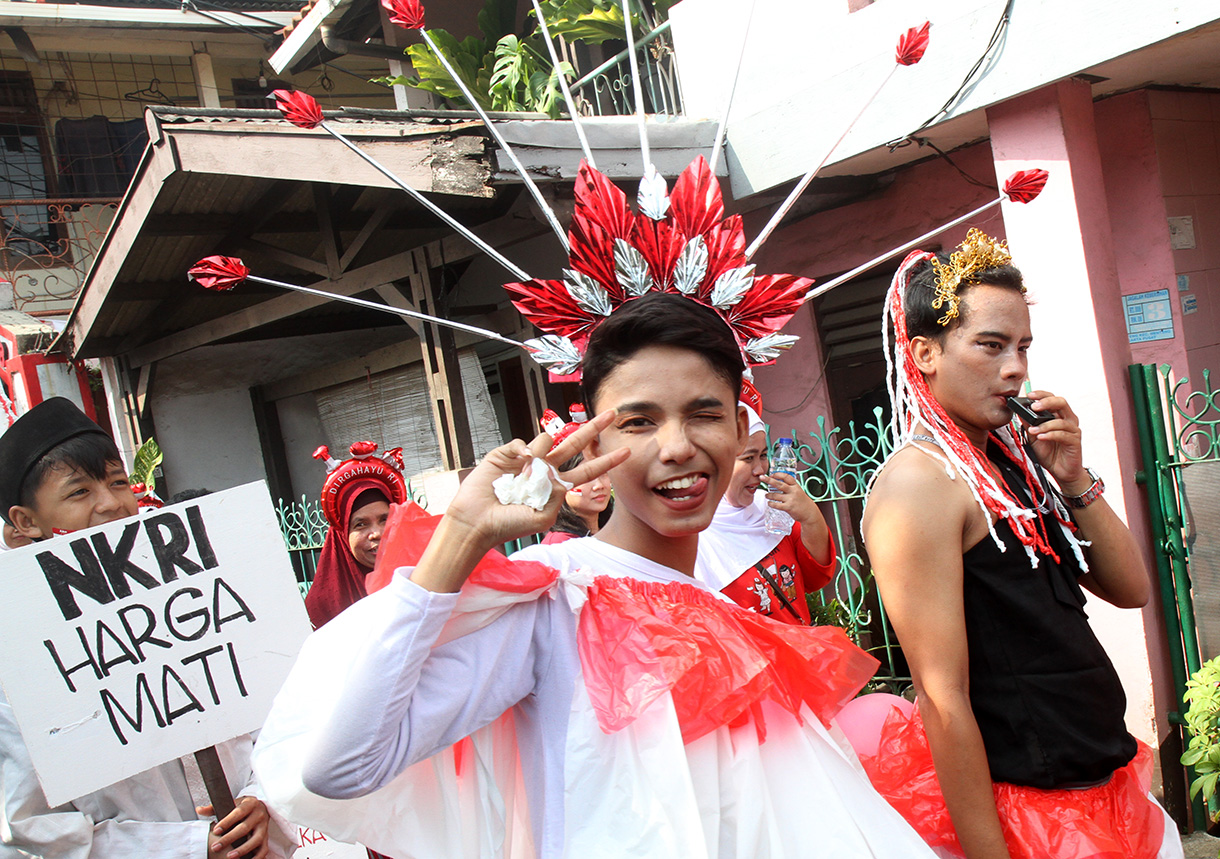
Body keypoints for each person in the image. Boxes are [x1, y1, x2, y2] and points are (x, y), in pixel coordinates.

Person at [253, 293, 940, 858]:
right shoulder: (555, 592)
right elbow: (340, 767)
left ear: (738, 427)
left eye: (704, 413)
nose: (678, 446)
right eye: (639, 420)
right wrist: (461, 538)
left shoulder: (728, 612)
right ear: (596, 440)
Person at [860, 231, 1182, 859]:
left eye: (1022, 347)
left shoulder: (1012, 465)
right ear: (923, 354)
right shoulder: (918, 485)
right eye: (990, 345)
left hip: (1104, 786)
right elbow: (941, 694)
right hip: (1028, 814)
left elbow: (1131, 589)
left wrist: (1074, 477)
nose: (1015, 368)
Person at [0, 397, 286, 859]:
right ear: (25, 522)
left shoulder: (196, 595)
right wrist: (190, 848)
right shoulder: (16, 662)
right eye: (79, 493)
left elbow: (285, 720)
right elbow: (33, 826)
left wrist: (264, 798)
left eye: (117, 483)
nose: (111, 504)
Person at [697, 380, 835, 623]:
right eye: (748, 457)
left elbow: (816, 578)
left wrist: (811, 518)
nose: (761, 470)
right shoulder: (691, 537)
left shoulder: (772, 508)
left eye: (763, 455)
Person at [303, 441, 408, 628]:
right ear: (342, 536)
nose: (377, 533)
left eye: (385, 519)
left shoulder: (426, 581)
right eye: (360, 524)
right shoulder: (321, 609)